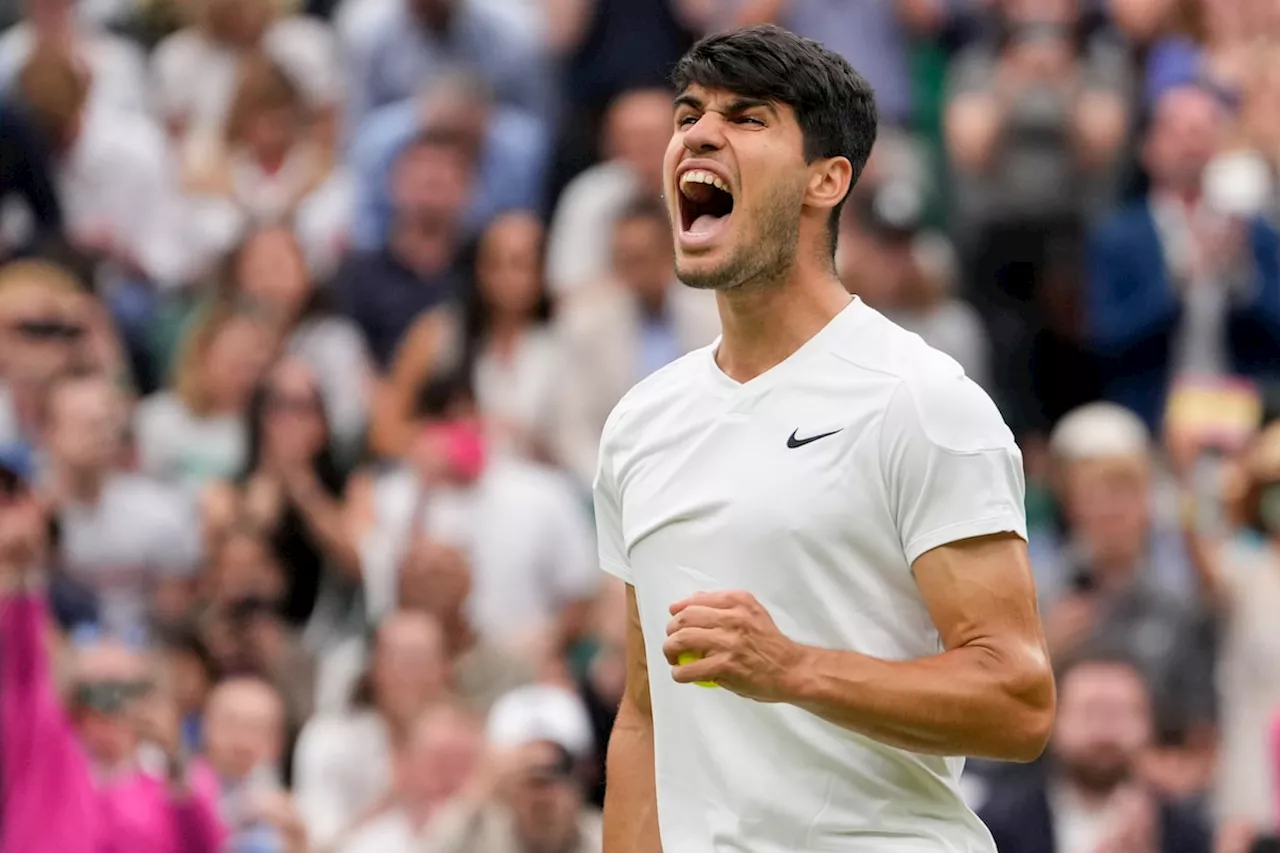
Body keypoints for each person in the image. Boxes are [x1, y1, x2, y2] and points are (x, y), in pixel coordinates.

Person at [594, 25, 1055, 853]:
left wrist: (793, 668)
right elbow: (644, 713)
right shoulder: (639, 423)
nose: (698, 134)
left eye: (747, 118)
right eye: (689, 114)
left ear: (827, 180)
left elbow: (1018, 701)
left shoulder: (920, 399)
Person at [980, 655, 1211, 853]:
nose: (1106, 730)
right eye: (1090, 712)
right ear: (1053, 722)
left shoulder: (1184, 835)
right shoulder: (996, 827)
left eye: (1121, 713)